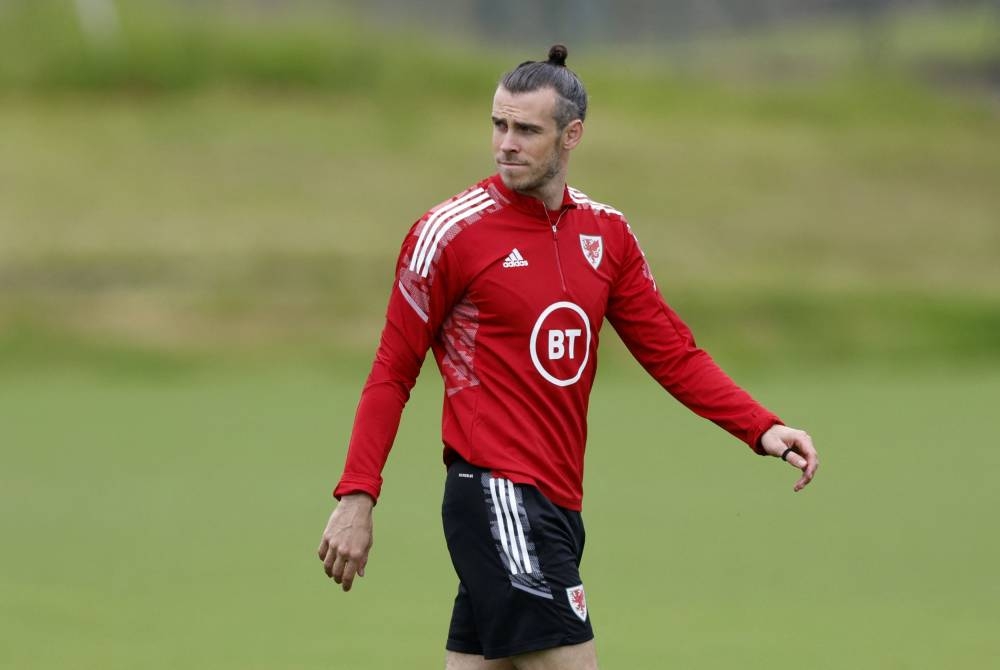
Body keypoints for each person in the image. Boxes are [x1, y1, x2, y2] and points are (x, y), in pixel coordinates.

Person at [317, 44, 818, 670]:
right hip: (495, 491)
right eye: (499, 125)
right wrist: (357, 496)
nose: (506, 143)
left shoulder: (606, 234)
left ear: (571, 135)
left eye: (527, 129)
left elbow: (674, 353)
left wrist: (761, 426)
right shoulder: (449, 233)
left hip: (557, 503)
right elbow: (391, 372)